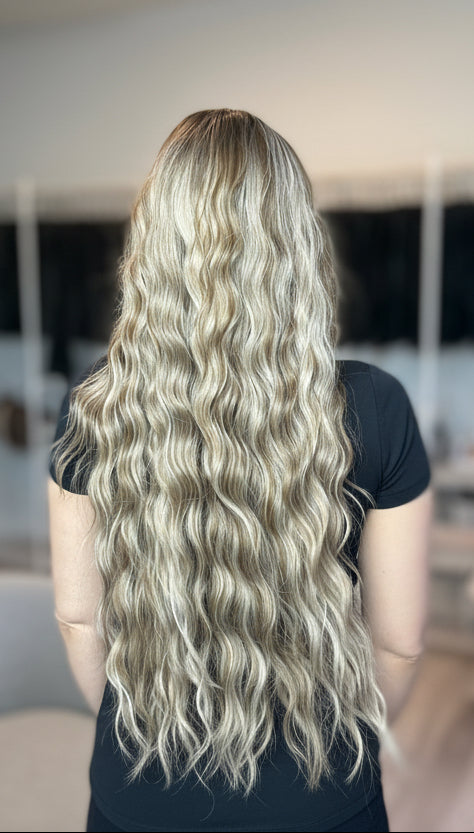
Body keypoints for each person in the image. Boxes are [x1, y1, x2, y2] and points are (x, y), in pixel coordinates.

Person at [48, 108, 433, 833]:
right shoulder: (376, 408)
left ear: (154, 245)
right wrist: (351, 745)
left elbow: (78, 618)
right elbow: (399, 642)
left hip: (137, 798)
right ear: (296, 242)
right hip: (325, 800)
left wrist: (141, 740)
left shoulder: (93, 408)